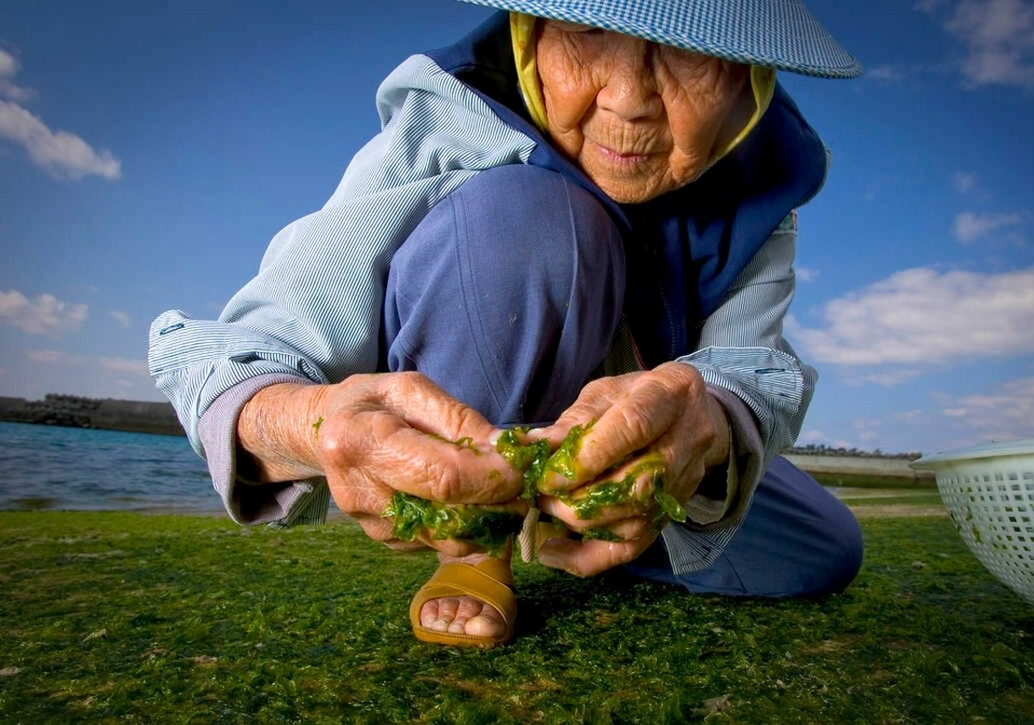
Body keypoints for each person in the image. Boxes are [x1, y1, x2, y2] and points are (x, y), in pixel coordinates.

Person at [149, 0, 865, 648]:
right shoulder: (447, 120)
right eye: (588, 32)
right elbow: (238, 359)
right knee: (533, 223)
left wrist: (706, 422)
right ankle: (477, 545)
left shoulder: (764, 180)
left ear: (751, 81)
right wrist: (311, 420)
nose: (627, 99)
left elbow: (748, 363)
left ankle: (586, 520)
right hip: (476, 424)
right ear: (530, 31)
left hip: (629, 458)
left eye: (689, 53)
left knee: (825, 548)